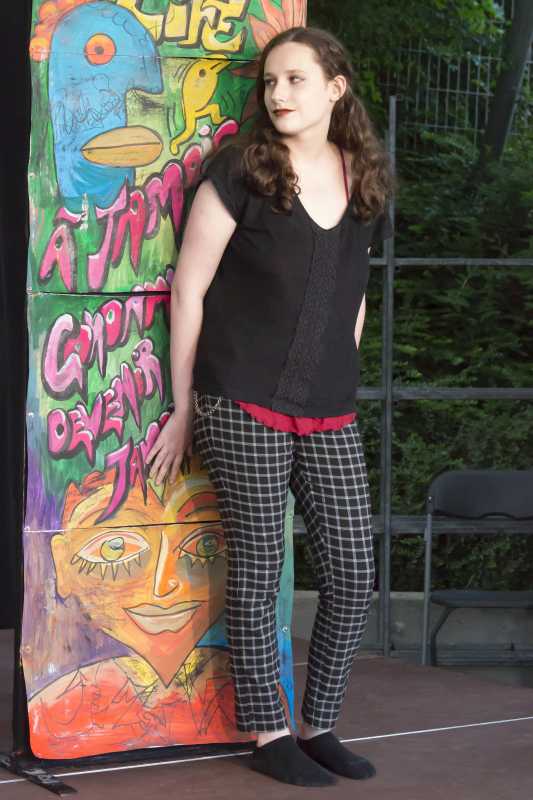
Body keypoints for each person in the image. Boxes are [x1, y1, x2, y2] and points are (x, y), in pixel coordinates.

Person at [146, 25, 395, 787]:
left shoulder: (364, 178)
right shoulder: (240, 171)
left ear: (334, 88)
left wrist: (339, 368)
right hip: (239, 396)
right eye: (269, 82)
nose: (278, 94)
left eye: (295, 79)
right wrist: (184, 407)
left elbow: (352, 295)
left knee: (352, 569)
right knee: (259, 566)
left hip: (328, 404)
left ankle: (319, 724)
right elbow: (188, 290)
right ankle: (268, 732)